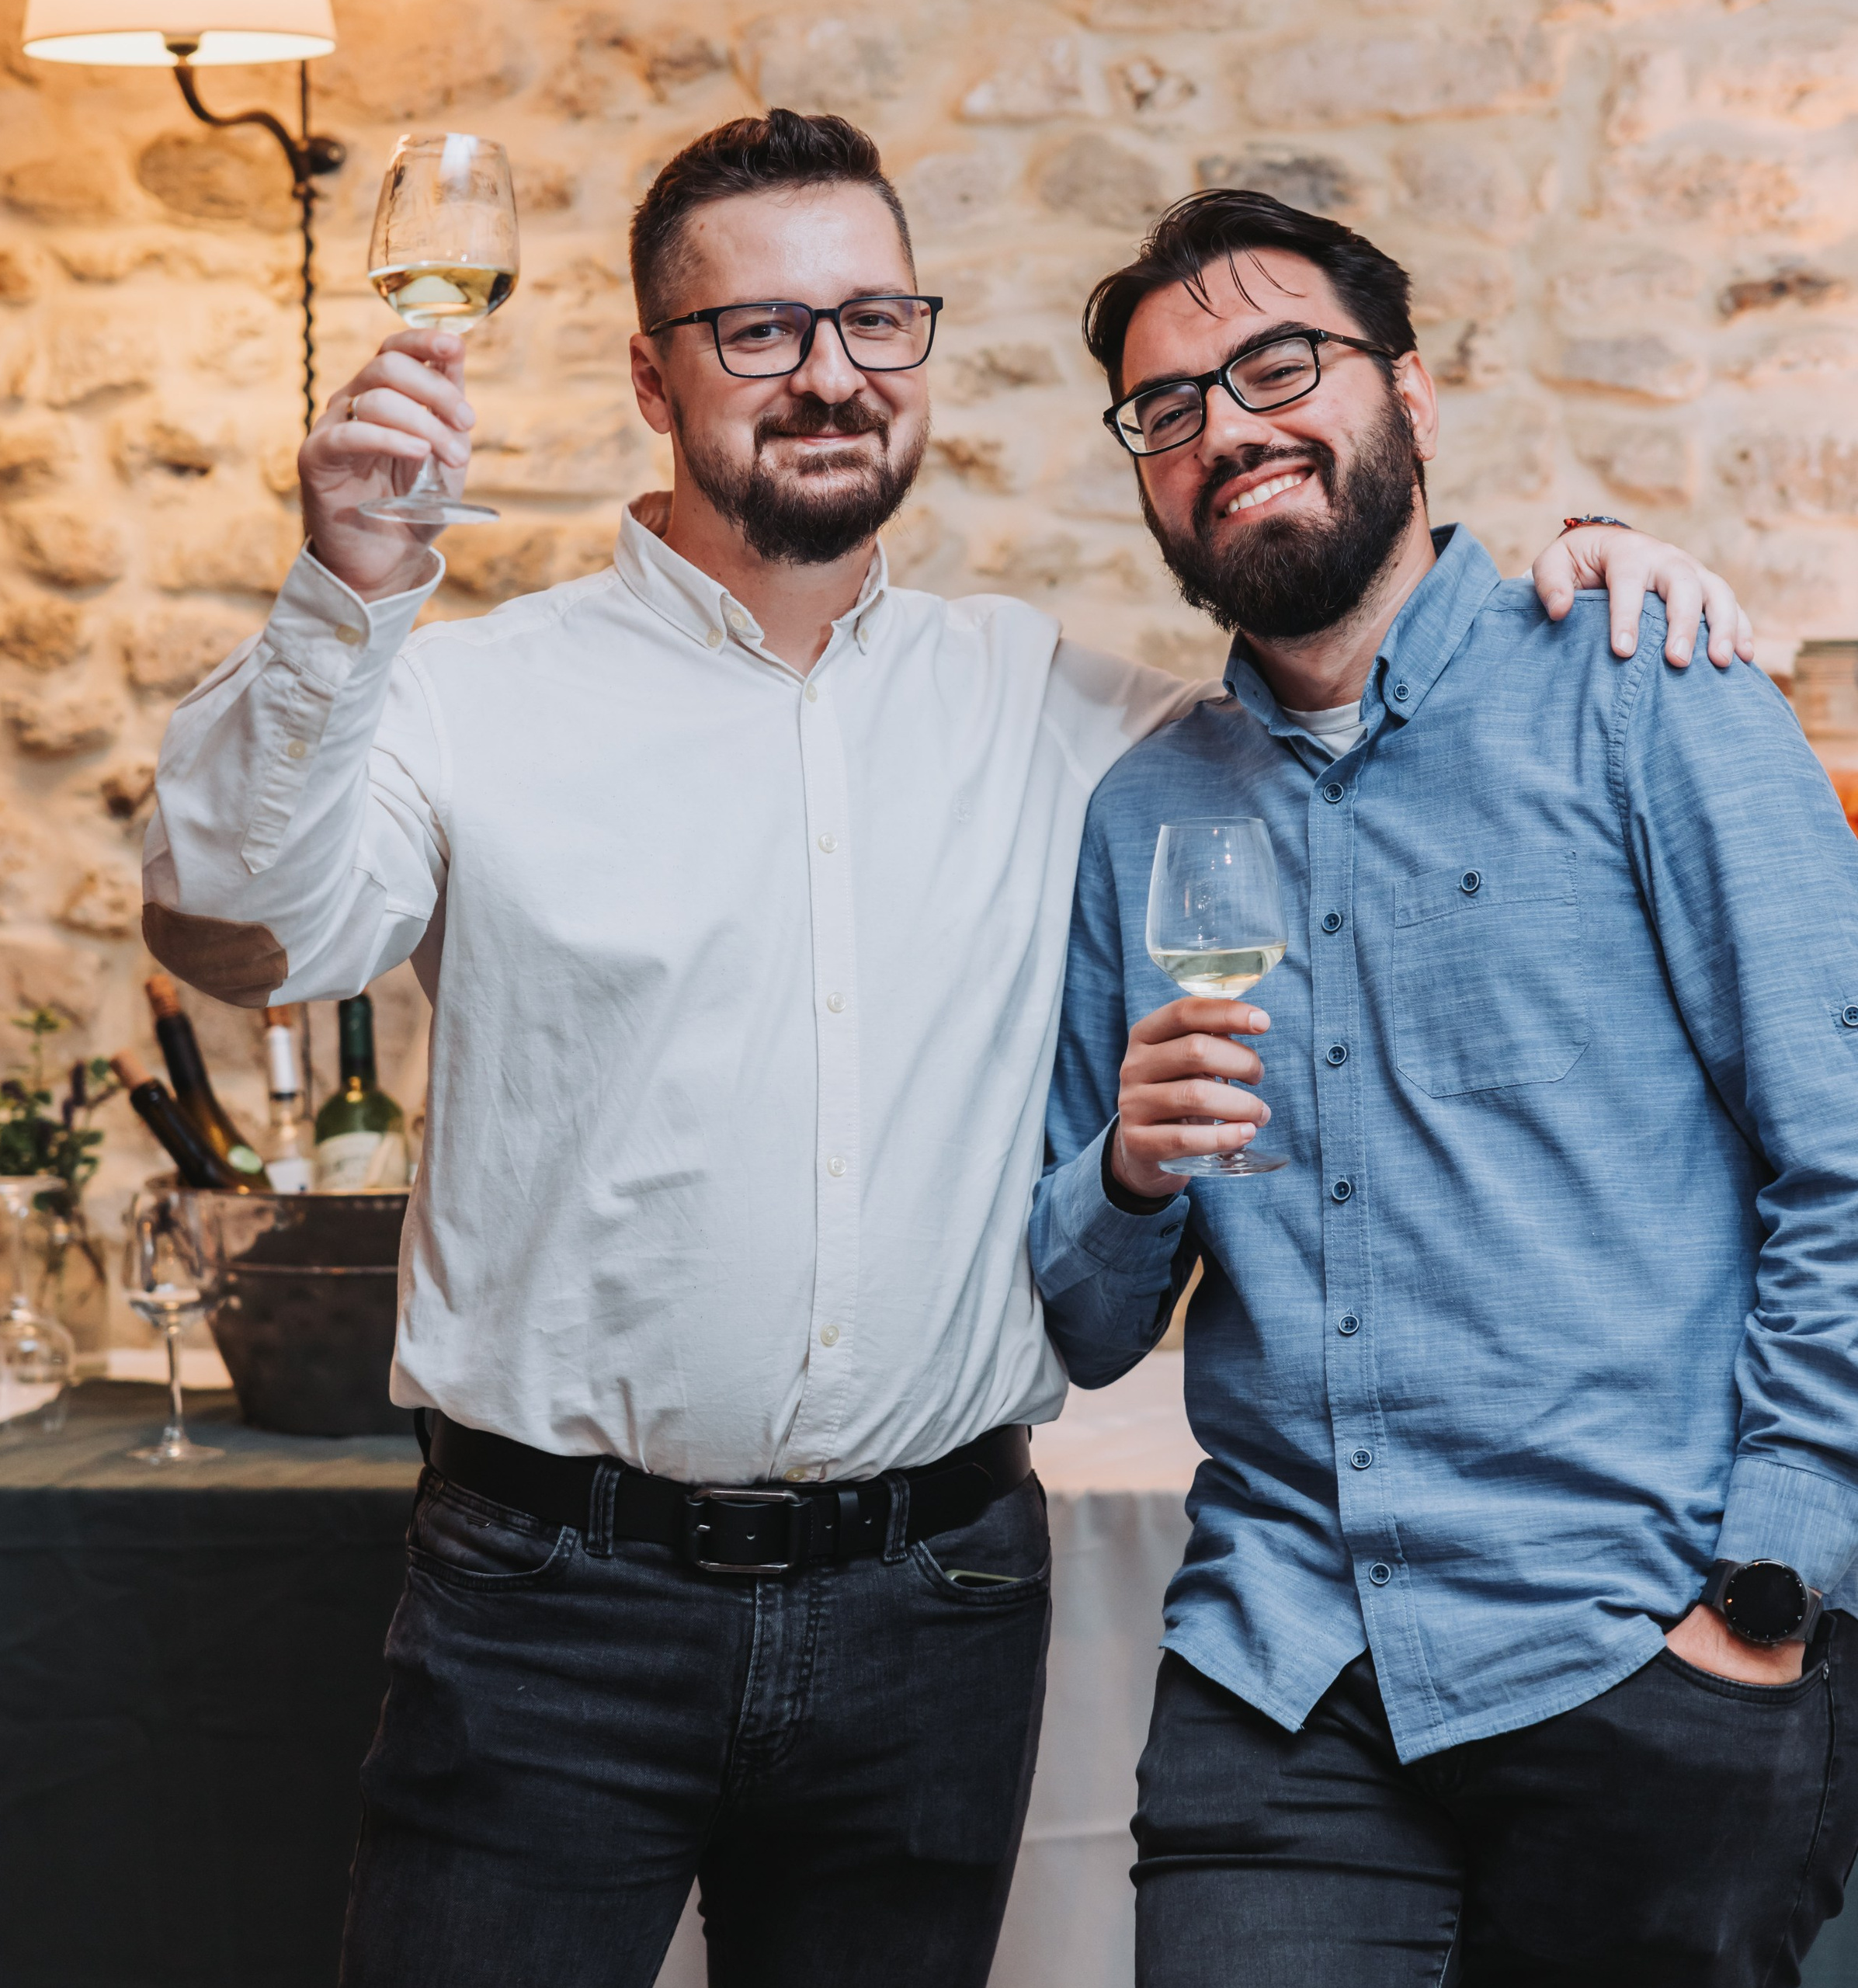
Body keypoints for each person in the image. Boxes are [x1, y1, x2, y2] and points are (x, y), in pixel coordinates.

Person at [144, 113, 1745, 1988]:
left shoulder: (1068, 711)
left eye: (872, 321)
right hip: (548, 1608)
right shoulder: (465, 697)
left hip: (938, 1603)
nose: (828, 373)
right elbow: (241, 932)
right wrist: (342, 592)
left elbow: (1349, 679)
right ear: (648, 376)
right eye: (757, 332)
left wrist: (1586, 570)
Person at [1031, 187, 1858, 1987]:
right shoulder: (1142, 817)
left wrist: (1771, 1589)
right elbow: (1088, 1329)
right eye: (1165, 408)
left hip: (1640, 1649)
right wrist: (1124, 1172)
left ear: (1407, 393)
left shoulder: (1645, 691)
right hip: (1282, 1670)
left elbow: (1842, 1157)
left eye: (1277, 364)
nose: (1224, 426)